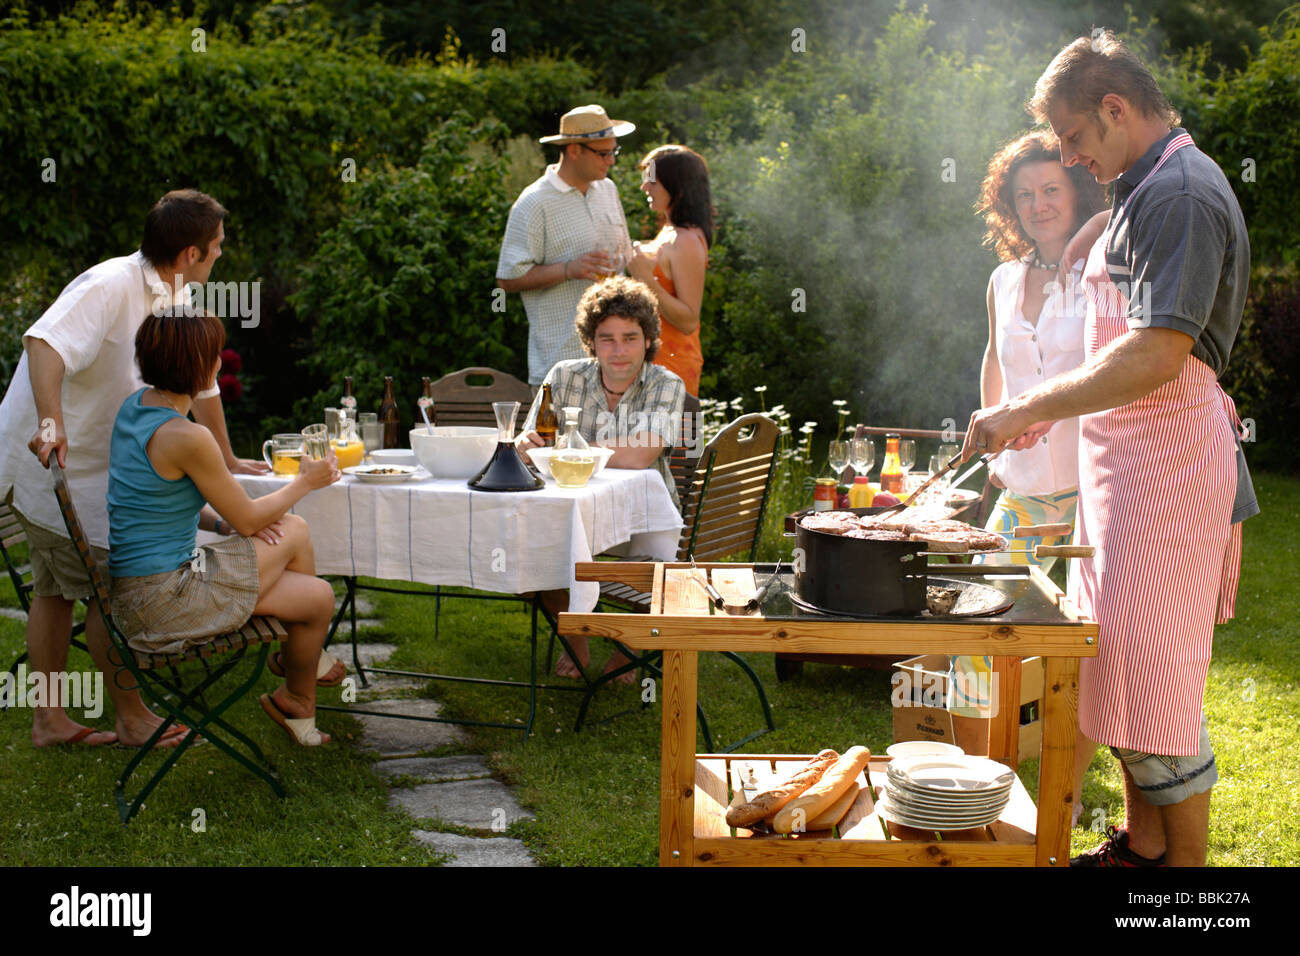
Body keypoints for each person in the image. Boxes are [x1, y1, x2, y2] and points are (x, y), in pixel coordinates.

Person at [963, 30, 1256, 867]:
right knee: (1118, 671)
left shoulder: (1181, 195)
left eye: (1074, 137)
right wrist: (1097, 234)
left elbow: (1156, 352)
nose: (1069, 157)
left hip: (1167, 470)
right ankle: (1142, 850)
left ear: (1117, 109)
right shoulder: (1144, 188)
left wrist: (1028, 405)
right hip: (1122, 472)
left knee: (1156, 689)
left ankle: (1186, 887)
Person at [0, 188, 269, 749]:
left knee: (56, 591)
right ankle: (128, 716)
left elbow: (202, 384)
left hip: (95, 470)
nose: (221, 254)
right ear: (192, 252)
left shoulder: (178, 296)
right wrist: (51, 422)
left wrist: (225, 456)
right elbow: (44, 343)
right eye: (217, 245)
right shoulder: (110, 284)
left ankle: (51, 719)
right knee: (110, 589)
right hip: (55, 465)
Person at [949, 131, 1108, 821]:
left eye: (1051, 189)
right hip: (1023, 488)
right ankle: (979, 784)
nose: (1039, 205)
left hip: (1096, 492)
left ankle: (1064, 797)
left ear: (1078, 191)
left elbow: (1113, 370)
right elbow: (996, 357)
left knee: (1086, 648)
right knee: (979, 633)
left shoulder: (1104, 269)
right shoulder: (1004, 279)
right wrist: (992, 433)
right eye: (1024, 195)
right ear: (1008, 207)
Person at [109, 307, 342, 745]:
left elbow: (155, 501)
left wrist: (220, 524)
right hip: (164, 602)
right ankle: (300, 662)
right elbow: (250, 518)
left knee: (318, 598)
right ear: (197, 365)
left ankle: (297, 698)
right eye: (214, 353)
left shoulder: (135, 409)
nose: (220, 361)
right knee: (293, 528)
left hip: (138, 594)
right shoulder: (187, 436)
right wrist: (306, 482)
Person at [517, 277, 686, 680]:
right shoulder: (563, 376)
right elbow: (530, 442)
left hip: (643, 520)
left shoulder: (665, 384)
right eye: (606, 339)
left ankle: (630, 646)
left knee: (657, 568)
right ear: (591, 341)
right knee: (524, 552)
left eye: (630, 338)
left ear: (648, 340)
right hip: (571, 512)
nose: (618, 350)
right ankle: (576, 634)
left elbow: (642, 452)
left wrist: (571, 447)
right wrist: (525, 444)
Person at [496, 104, 636, 386]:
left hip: (618, 363)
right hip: (562, 368)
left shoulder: (608, 189)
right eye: (603, 153)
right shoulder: (534, 202)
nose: (611, 161)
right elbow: (507, 279)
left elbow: (625, 259)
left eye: (614, 152)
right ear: (573, 150)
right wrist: (569, 270)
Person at [626, 145, 713, 396]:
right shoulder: (669, 231)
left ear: (679, 187)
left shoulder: (686, 240)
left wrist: (644, 277)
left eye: (652, 181)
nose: (644, 187)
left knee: (673, 426)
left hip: (673, 368)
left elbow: (688, 321)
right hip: (651, 363)